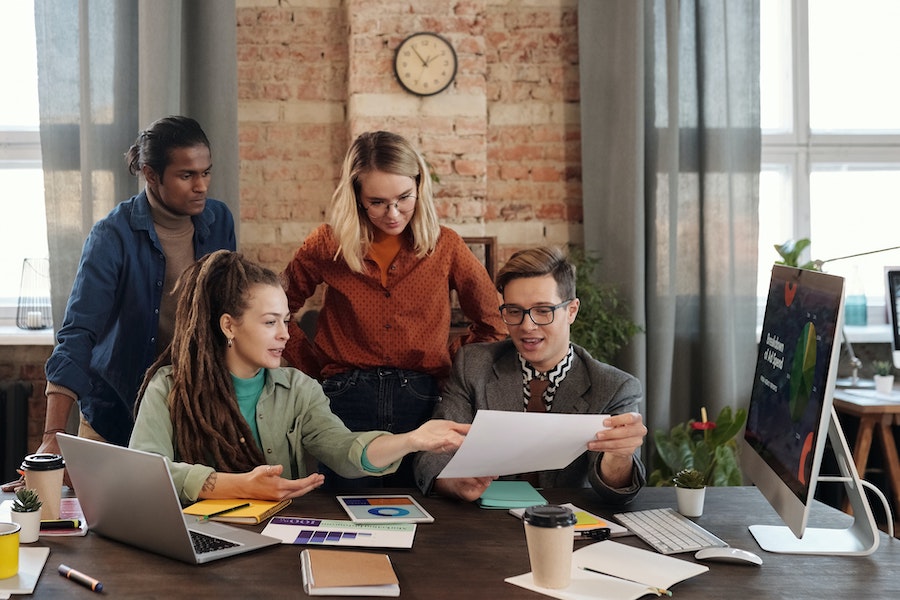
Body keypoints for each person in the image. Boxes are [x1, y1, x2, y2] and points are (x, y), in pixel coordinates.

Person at [129, 250, 468, 503]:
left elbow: (345, 450)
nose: (285, 335)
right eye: (269, 322)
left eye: (286, 320)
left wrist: (412, 440)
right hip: (198, 539)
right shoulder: (170, 387)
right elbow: (144, 472)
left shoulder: (299, 389)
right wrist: (236, 486)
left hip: (279, 543)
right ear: (229, 325)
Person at [280, 130, 506, 488]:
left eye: (404, 198)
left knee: (422, 511)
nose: (393, 213)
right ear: (356, 196)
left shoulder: (446, 246)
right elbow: (278, 311)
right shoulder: (327, 245)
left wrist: (446, 360)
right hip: (343, 400)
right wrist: (315, 367)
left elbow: (494, 324)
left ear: (420, 185)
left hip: (421, 400)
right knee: (344, 511)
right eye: (377, 202)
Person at [40, 116, 236, 453]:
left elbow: (230, 312)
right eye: (186, 175)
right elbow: (78, 334)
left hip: (194, 418)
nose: (201, 186)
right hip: (116, 417)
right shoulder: (112, 235)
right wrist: (52, 435)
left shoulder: (219, 221)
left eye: (206, 172)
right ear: (150, 174)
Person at [413, 246, 648, 504]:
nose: (527, 326)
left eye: (543, 311)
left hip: (567, 527)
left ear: (571, 311)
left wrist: (620, 455)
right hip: (484, 525)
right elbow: (431, 454)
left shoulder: (614, 386)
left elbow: (615, 491)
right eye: (514, 311)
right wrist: (453, 482)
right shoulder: (474, 365)